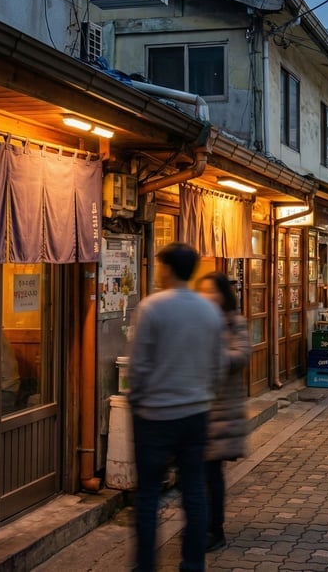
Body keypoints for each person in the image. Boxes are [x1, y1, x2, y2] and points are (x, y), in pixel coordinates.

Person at [128, 243, 225, 572]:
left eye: (159, 265)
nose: (158, 270)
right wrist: (204, 395)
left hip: (155, 414)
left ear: (167, 268)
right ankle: (193, 564)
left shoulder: (152, 308)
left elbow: (138, 366)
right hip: (195, 413)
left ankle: (145, 566)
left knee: (148, 496)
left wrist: (136, 402)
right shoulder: (209, 310)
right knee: (194, 491)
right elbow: (217, 365)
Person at [196, 272, 251, 553]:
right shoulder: (196, 321)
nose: (208, 297)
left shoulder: (233, 321)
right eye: (203, 291)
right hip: (196, 407)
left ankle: (214, 530)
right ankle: (201, 526)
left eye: (212, 291)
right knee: (198, 474)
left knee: (211, 474)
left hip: (221, 408)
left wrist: (215, 356)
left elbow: (242, 355)